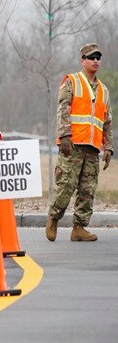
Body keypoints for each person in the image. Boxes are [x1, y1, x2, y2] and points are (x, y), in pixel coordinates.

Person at [46, 43, 113, 242]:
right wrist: (65, 135)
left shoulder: (104, 90)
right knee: (66, 184)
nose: (95, 61)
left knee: (87, 189)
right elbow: (63, 108)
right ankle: (53, 218)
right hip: (72, 144)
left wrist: (108, 146)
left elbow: (107, 121)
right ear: (82, 60)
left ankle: (79, 228)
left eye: (98, 57)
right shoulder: (72, 81)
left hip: (92, 148)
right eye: (91, 57)